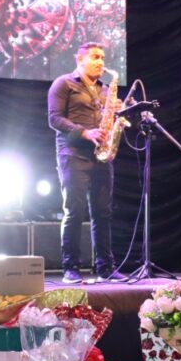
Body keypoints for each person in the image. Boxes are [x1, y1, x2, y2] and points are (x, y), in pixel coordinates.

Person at [47, 42, 123, 284]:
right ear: (80, 60)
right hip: (72, 154)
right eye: (95, 57)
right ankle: (70, 268)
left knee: (103, 213)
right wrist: (84, 132)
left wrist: (117, 113)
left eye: (103, 57)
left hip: (100, 155)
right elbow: (54, 118)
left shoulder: (104, 90)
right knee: (75, 211)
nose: (101, 62)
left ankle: (105, 267)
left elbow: (107, 120)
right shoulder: (64, 83)